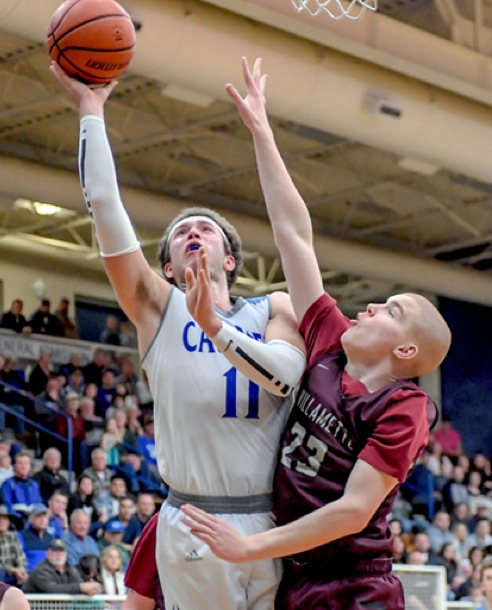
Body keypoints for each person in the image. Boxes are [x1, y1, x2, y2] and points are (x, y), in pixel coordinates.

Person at [180, 57, 452, 610]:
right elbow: (294, 235)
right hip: (297, 575)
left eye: (391, 310)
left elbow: (353, 511)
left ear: (405, 350)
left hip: (356, 584)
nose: (370, 306)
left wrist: (250, 546)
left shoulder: (404, 408)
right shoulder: (330, 340)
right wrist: (262, 133)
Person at [51, 59, 306, 610]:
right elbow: (106, 209)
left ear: (229, 258)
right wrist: (91, 111)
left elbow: (285, 378)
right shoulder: (157, 308)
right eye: (181, 232)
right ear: (167, 267)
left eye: (205, 229)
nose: (193, 232)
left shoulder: (275, 307)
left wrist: (217, 327)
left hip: (272, 521)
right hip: (194, 516)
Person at [23, 538, 101, 596]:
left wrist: (89, 590)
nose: (58, 554)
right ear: (47, 554)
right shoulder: (40, 571)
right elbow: (52, 589)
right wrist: (81, 587)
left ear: (66, 554)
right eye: (54, 551)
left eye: (61, 551)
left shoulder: (70, 569)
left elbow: (79, 585)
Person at [0, 505, 28, 587]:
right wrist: (12, 570)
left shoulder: (13, 536)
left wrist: (21, 570)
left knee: (27, 577)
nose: (2, 522)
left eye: (4, 519)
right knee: (0, 572)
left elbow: (21, 557)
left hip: (13, 575)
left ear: (8, 522)